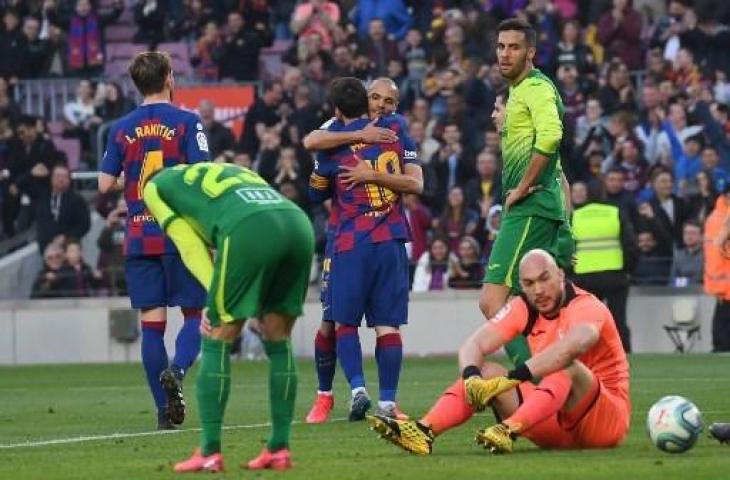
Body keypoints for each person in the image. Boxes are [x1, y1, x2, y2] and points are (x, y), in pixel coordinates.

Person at [369, 249, 630, 455]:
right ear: (522, 286)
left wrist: (514, 377)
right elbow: (474, 345)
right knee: (486, 371)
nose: (538, 290)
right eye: (529, 283)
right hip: (555, 422)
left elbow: (573, 346)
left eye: (544, 279)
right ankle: (423, 432)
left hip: (604, 423)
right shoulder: (523, 306)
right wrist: (471, 377)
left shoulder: (585, 305)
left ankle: (507, 430)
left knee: (566, 365)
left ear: (561, 275)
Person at [141, 162, 313, 472]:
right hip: (297, 223)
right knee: (278, 340)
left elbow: (189, 244)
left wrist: (212, 296)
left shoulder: (154, 187)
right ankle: (279, 448)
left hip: (248, 228)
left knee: (216, 337)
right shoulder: (225, 168)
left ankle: (208, 451)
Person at [98, 51, 209, 430]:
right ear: (169, 78)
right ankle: (176, 372)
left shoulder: (121, 127)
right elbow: (202, 176)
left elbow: (103, 183)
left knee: (152, 324)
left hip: (139, 237)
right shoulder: (187, 123)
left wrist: (129, 182)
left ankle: (164, 413)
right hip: (180, 234)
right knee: (196, 314)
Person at [303, 77, 421, 423]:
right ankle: (326, 396)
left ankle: (362, 392)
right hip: (362, 238)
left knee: (341, 322)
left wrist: (369, 174)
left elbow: (315, 189)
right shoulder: (336, 130)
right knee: (331, 322)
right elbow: (312, 139)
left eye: (389, 102)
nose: (381, 106)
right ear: (363, 98)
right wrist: (361, 136)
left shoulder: (396, 128)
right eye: (375, 98)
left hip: (351, 241)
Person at [479, 19, 573, 368]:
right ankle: (565, 372)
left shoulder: (535, 88)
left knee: (493, 302)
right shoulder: (520, 92)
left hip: (530, 207)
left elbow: (551, 137)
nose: (505, 54)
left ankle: (537, 380)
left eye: (514, 47)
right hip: (541, 207)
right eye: (501, 46)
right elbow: (557, 166)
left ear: (530, 52)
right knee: (531, 302)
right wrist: (506, 128)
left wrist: (520, 188)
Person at [571, 186, 637, 352]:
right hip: (615, 275)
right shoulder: (615, 212)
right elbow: (630, 244)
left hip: (584, 277)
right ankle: (624, 354)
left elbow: (566, 247)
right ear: (604, 194)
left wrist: (571, 272)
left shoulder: (576, 216)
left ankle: (589, 356)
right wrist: (628, 270)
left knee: (588, 321)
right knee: (618, 319)